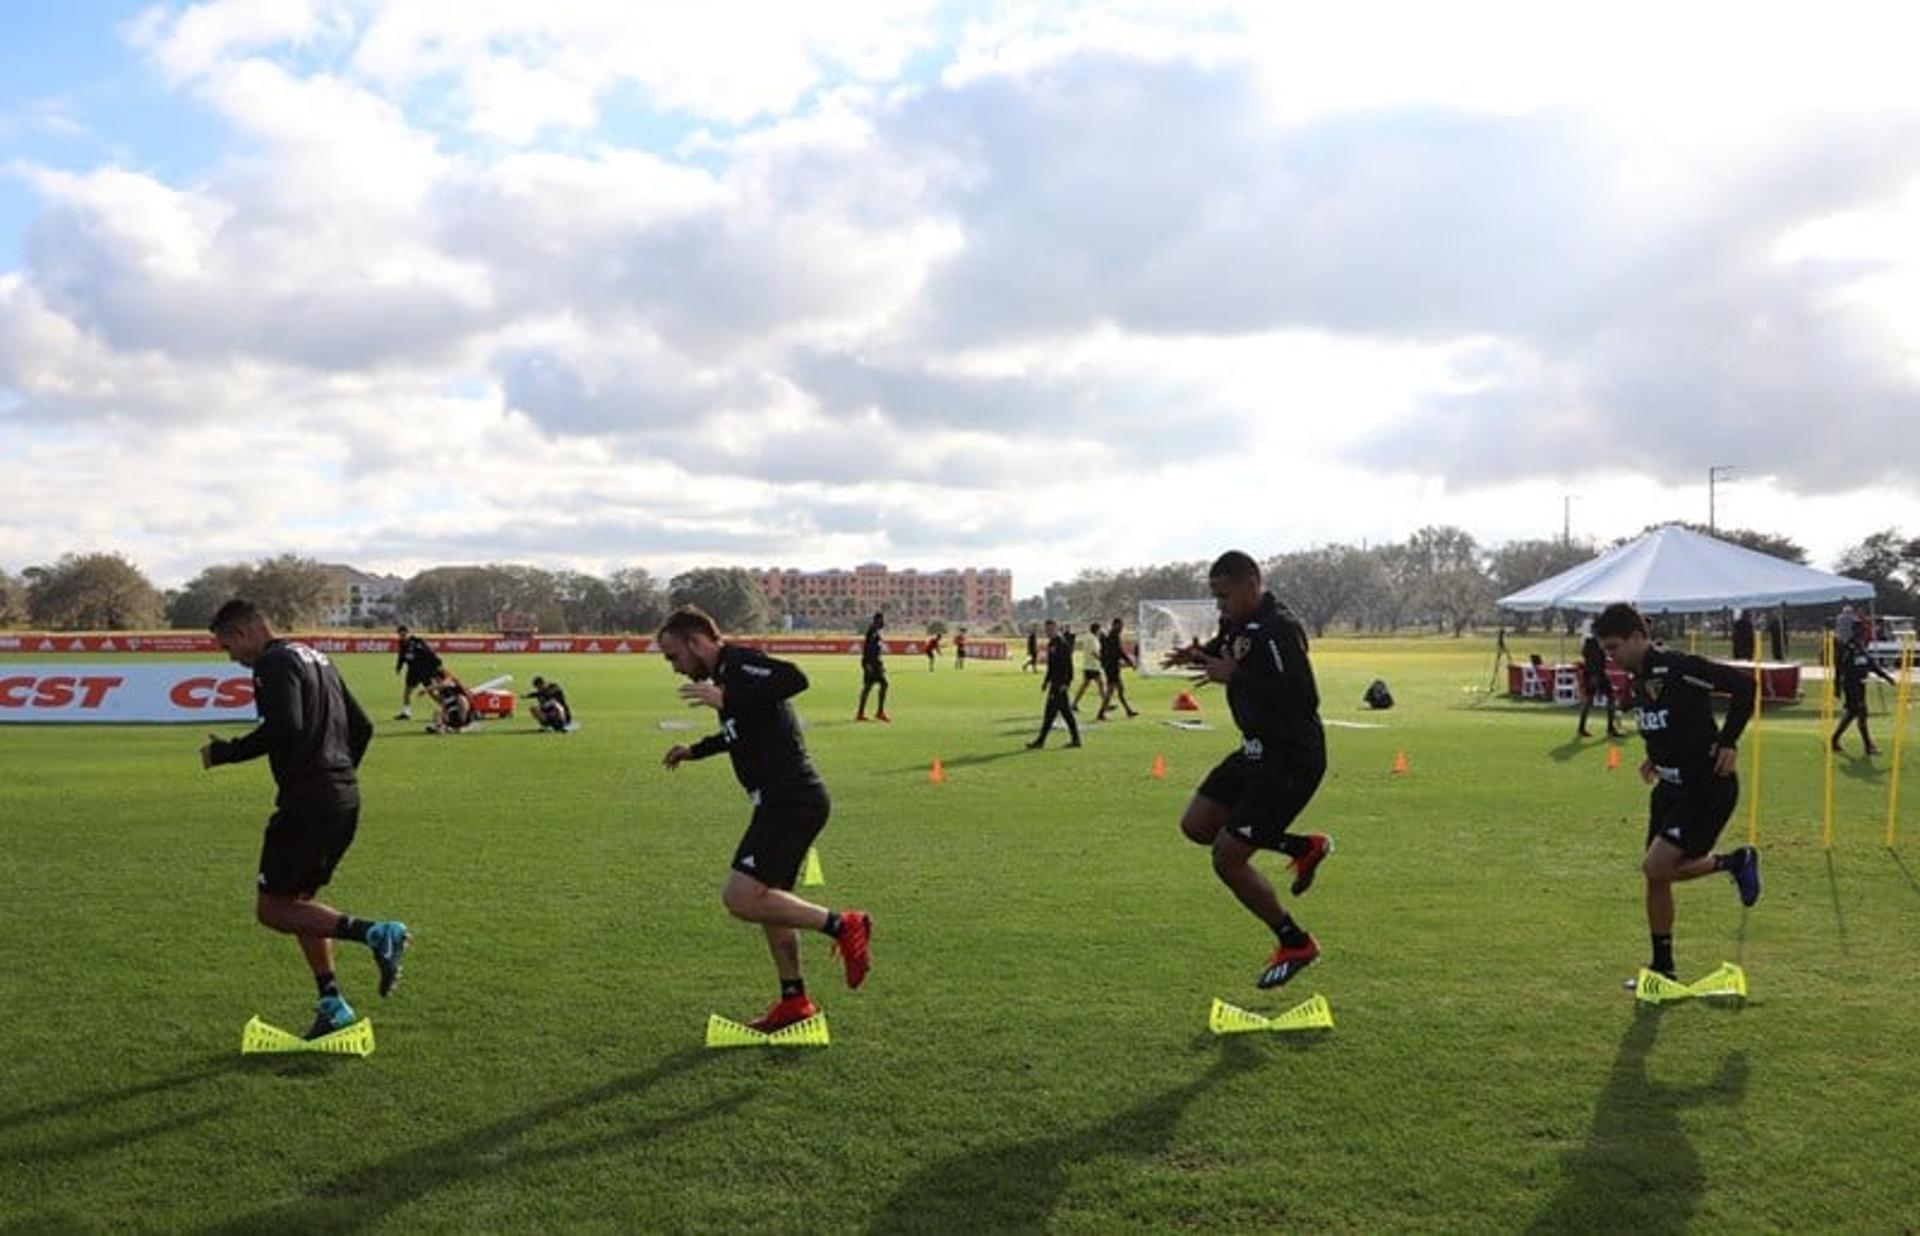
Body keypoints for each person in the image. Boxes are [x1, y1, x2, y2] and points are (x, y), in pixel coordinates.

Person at [199, 600, 409, 1039]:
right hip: (342, 796)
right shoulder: (317, 657)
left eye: (227, 646)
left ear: (245, 632)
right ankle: (332, 1002)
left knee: (273, 910)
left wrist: (226, 752)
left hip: (308, 802)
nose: (231, 658)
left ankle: (376, 933)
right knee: (298, 903)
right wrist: (338, 774)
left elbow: (286, 726)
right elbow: (363, 726)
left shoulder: (272, 663)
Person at [657, 606, 872, 1031]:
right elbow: (741, 731)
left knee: (740, 898)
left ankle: (844, 925)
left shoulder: (737, 664)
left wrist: (730, 698)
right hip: (781, 802)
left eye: (674, 657)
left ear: (696, 642)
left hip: (791, 801)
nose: (675, 668)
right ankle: (794, 1001)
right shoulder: (726, 678)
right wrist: (694, 750)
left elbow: (795, 678)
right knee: (772, 907)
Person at [1162, 552, 1332, 990]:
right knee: (1197, 825)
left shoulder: (1279, 629)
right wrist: (1200, 654)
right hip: (1255, 751)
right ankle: (1302, 847)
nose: (1220, 606)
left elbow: (1303, 697)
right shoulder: (1242, 623)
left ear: (1252, 583)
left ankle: (1294, 942)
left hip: (1291, 758)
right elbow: (1233, 650)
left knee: (1227, 857)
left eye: (1224, 596)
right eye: (1215, 597)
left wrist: (1233, 676)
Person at [1592, 602, 1761, 983]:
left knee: (1656, 866)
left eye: (1614, 647)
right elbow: (1668, 723)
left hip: (1706, 787)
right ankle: (1662, 967)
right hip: (1669, 789)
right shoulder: (1638, 677)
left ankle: (1733, 862)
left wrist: (1729, 742)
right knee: (1658, 877)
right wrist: (1654, 758)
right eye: (1606, 650)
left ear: (1638, 637)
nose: (1611, 657)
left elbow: (1745, 686)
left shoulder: (1680, 667)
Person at [1832, 632, 1897, 756]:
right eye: (1862, 640)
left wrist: (1888, 678)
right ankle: (1868, 746)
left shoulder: (1863, 653)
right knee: (1861, 713)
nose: (1864, 643)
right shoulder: (1848, 654)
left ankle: (1834, 740)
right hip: (1851, 687)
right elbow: (1840, 671)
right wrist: (1837, 688)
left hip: (1860, 687)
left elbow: (1874, 667)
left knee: (1851, 714)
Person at [1027, 618, 1081, 749]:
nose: (1048, 632)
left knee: (1051, 713)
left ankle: (1041, 741)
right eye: (1047, 630)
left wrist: (1066, 683)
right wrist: (1046, 681)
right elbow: (1051, 667)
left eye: (1051, 629)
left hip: (1060, 685)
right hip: (1054, 683)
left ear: (1056, 629)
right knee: (1065, 713)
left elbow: (1069, 667)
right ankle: (1075, 740)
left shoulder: (1062, 644)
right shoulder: (1051, 644)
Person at [1576, 621, 1624, 739]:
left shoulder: (1597, 641)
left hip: (1600, 673)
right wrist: (1594, 675)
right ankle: (1583, 728)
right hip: (1594, 673)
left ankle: (1609, 728)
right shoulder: (1591, 642)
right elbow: (1590, 659)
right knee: (1589, 700)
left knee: (1610, 697)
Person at [392, 624, 444, 720]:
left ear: (408, 633)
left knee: (431, 692)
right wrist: (399, 667)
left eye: (404, 634)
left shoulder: (417, 642)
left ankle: (446, 706)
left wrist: (437, 665)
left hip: (423, 671)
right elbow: (401, 656)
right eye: (400, 634)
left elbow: (430, 653)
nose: (402, 636)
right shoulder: (401, 643)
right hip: (412, 671)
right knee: (407, 691)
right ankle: (406, 713)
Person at [1095, 616, 1140, 720]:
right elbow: (1119, 652)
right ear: (1116, 625)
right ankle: (1101, 713)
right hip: (1112, 668)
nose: (1122, 627)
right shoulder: (1114, 636)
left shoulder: (1111, 635)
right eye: (1121, 625)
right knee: (1111, 691)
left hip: (1110, 667)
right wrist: (1130, 662)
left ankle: (1128, 711)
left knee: (1120, 690)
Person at [856, 612, 891, 722]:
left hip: (874, 663)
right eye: (881, 620)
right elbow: (869, 649)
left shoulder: (874, 631)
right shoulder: (872, 632)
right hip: (871, 663)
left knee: (869, 687)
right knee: (881, 685)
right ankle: (878, 712)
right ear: (877, 620)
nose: (883, 622)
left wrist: (880, 664)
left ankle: (862, 713)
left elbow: (873, 649)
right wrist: (869, 665)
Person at [1071, 622, 1107, 711]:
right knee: (1100, 684)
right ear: (1097, 630)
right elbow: (1094, 652)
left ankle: (1074, 704)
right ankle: (1105, 703)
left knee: (1087, 685)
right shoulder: (1092, 639)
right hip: (1092, 666)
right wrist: (1102, 660)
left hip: (1089, 665)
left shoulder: (1089, 637)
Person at [427, 668, 475, 733]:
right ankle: (440, 728)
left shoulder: (451, 682)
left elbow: (445, 684)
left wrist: (430, 688)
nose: (433, 682)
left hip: (464, 715)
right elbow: (440, 701)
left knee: (461, 699)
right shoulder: (442, 692)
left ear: (439, 678)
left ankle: (461, 726)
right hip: (451, 716)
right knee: (437, 712)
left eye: (435, 680)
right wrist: (431, 693)